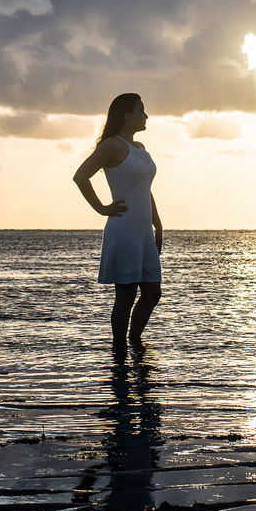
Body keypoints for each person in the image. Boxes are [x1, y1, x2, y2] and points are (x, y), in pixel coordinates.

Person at [74, 93, 163, 349]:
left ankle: (135, 342)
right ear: (127, 114)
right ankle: (119, 348)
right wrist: (101, 208)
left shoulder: (141, 150)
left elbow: (145, 189)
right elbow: (81, 176)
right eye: (141, 110)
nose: (146, 115)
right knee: (126, 295)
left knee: (152, 293)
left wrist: (158, 223)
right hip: (123, 228)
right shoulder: (112, 145)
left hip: (144, 231)